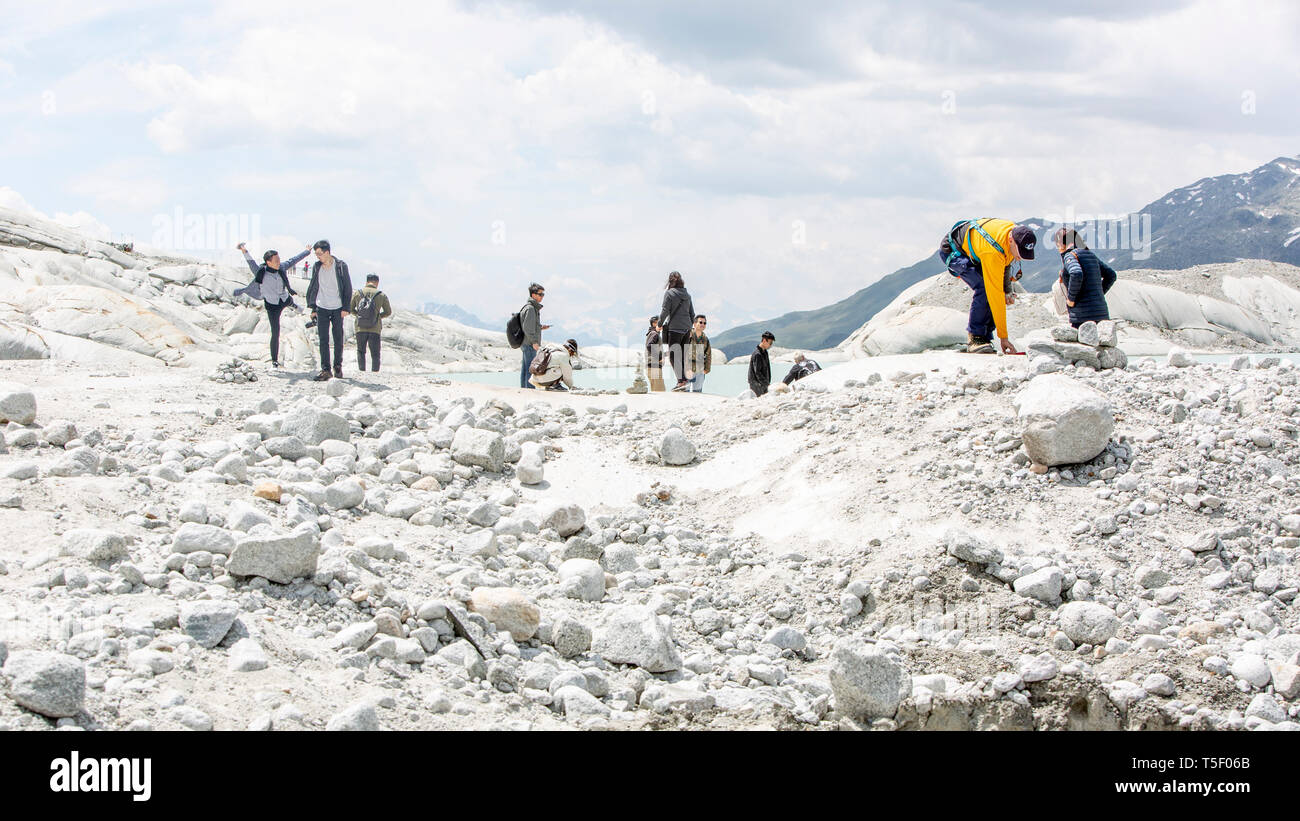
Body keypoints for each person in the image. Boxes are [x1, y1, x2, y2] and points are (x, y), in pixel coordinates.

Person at [941, 218, 1034, 354]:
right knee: (985, 288)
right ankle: (975, 338)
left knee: (994, 290)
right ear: (1011, 240)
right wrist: (1003, 337)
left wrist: (1007, 290)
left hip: (975, 247)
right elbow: (994, 294)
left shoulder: (1013, 233)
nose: (1020, 258)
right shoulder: (992, 251)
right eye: (1019, 252)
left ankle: (985, 337)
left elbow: (1006, 262)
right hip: (954, 251)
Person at [236, 242, 311, 368]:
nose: (278, 262)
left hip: (283, 298)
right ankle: (274, 362)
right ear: (268, 262)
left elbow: (294, 260)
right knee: (275, 332)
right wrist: (244, 250)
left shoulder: (281, 267)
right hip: (272, 305)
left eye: (279, 259)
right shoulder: (260, 271)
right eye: (276, 260)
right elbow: (251, 262)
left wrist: (307, 251)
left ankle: (293, 305)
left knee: (288, 300)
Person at [306, 239, 353, 381]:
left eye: (319, 254)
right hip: (322, 307)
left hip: (338, 308)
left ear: (327, 252)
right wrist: (313, 308)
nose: (318, 256)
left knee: (338, 338)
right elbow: (314, 286)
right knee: (323, 339)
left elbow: (348, 287)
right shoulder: (316, 267)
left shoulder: (340, 266)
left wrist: (346, 307)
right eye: (316, 254)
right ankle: (326, 370)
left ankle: (337, 366)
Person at [1055, 227, 1117, 328]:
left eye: (1058, 246)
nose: (1059, 249)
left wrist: (1071, 299)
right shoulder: (1090, 255)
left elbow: (1076, 273)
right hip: (1102, 314)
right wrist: (1098, 294)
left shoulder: (1070, 256)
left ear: (1062, 244)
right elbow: (1111, 275)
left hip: (1082, 317)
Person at [657, 271, 695, 391]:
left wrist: (659, 324)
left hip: (675, 329)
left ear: (670, 282)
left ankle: (680, 381)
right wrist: (690, 327)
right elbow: (692, 314)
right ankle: (685, 380)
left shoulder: (669, 294)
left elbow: (665, 311)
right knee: (683, 355)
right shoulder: (687, 295)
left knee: (674, 356)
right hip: (687, 329)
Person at [350, 273, 392, 373]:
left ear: (366, 281)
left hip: (360, 327)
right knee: (375, 353)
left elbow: (350, 309)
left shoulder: (357, 293)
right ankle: (375, 373)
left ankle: (361, 371)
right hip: (375, 328)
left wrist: (359, 315)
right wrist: (377, 317)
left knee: (361, 351)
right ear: (377, 282)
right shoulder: (381, 295)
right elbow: (388, 312)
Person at [518, 283, 550, 389]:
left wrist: (540, 327)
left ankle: (524, 389)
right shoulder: (531, 309)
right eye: (540, 294)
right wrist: (534, 342)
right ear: (533, 295)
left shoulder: (529, 307)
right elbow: (527, 328)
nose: (542, 296)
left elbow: (529, 325)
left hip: (525, 342)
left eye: (543, 294)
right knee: (531, 368)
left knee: (525, 368)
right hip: (529, 343)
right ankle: (530, 391)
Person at [682, 314, 711, 393]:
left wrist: (707, 369)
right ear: (694, 324)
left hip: (700, 370)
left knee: (697, 393)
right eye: (700, 322)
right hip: (687, 370)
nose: (703, 325)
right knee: (684, 393)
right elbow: (682, 353)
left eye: (705, 323)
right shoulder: (687, 335)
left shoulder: (705, 339)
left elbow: (708, 355)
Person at [748, 331, 774, 396]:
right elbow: (757, 372)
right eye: (770, 343)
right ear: (764, 340)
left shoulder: (765, 352)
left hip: (764, 383)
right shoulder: (757, 354)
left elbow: (767, 368)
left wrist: (767, 383)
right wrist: (767, 384)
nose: (771, 345)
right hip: (757, 384)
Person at [645, 316, 666, 392]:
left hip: (652, 367)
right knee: (661, 392)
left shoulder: (652, 333)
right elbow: (649, 346)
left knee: (656, 393)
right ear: (653, 324)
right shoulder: (655, 334)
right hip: (654, 367)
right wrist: (660, 357)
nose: (661, 325)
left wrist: (665, 354)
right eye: (658, 323)